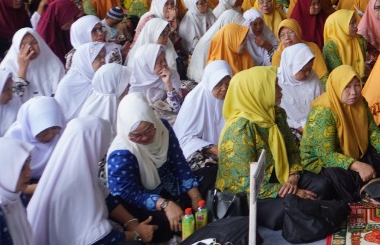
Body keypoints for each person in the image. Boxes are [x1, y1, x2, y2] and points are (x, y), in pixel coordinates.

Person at [28, 116, 155, 245]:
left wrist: (131, 222)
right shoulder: (72, 184)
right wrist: (137, 235)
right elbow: (97, 239)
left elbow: (106, 197)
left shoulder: (70, 169)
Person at [216, 66, 331, 203]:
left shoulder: (276, 114)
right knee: (292, 203)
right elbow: (247, 183)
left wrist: (293, 177)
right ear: (258, 91)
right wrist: (290, 192)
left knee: (322, 186)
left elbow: (292, 151)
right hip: (251, 193)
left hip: (280, 175)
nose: (280, 90)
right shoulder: (239, 130)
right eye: (275, 86)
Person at [106, 94, 203, 242]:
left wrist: (196, 197)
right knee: (167, 224)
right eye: (136, 136)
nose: (144, 138)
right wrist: (164, 204)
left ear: (153, 121)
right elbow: (129, 193)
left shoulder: (163, 129)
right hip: (138, 200)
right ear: (127, 133)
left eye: (148, 130)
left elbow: (179, 164)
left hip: (167, 183)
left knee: (206, 184)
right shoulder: (121, 154)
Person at [300, 65, 380, 190]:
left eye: (357, 85)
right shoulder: (323, 112)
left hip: (352, 151)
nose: (353, 92)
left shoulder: (360, 101)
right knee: (342, 181)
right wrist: (358, 166)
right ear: (337, 87)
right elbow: (326, 155)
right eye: (347, 86)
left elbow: (372, 130)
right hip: (322, 161)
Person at [173, 60, 232, 190]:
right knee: (209, 171)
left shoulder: (230, 97)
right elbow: (184, 139)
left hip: (222, 148)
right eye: (219, 84)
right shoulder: (194, 100)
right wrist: (212, 148)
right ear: (210, 82)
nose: (224, 89)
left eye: (228, 83)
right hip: (196, 150)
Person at [5, 96, 65, 181]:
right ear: (30, 127)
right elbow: (7, 180)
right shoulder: (13, 141)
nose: (50, 135)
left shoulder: (64, 136)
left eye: (55, 128)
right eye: (44, 131)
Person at [0, 28, 64, 101]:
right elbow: (13, 100)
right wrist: (22, 69)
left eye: (34, 42)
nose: (30, 48)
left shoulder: (53, 63)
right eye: (23, 45)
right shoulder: (7, 67)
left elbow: (61, 95)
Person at [278, 44, 324, 132]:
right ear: (291, 66)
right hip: (290, 128)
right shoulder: (278, 82)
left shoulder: (312, 76)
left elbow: (321, 102)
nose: (307, 73)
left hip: (314, 123)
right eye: (303, 70)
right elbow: (277, 115)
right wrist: (297, 126)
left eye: (309, 69)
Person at [77, 63, 131, 130]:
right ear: (116, 88)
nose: (129, 89)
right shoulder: (92, 121)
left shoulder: (121, 105)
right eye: (127, 85)